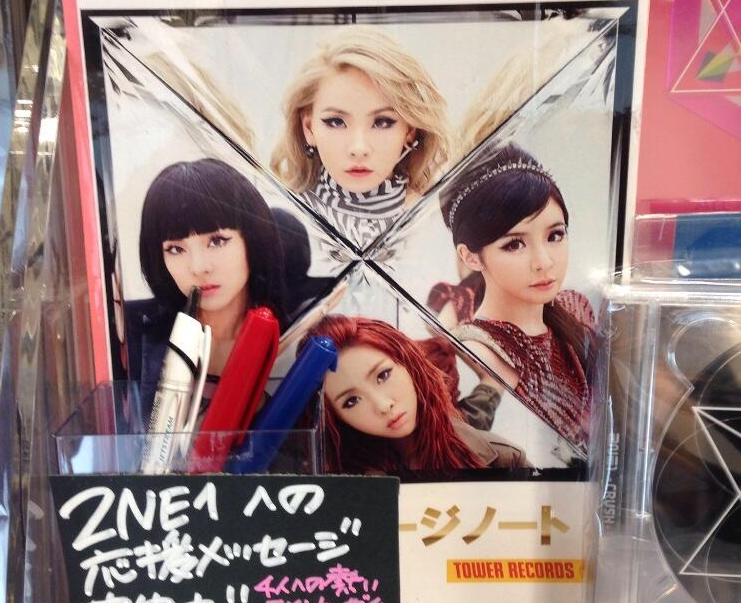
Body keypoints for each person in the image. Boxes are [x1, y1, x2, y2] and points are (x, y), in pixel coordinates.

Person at [440, 143, 595, 448]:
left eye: (555, 235)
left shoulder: (575, 309)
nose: (544, 262)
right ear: (470, 257)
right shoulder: (478, 351)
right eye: (514, 244)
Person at [270, 27, 452, 246]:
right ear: (308, 128)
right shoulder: (275, 222)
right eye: (336, 122)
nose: (358, 148)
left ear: (410, 131)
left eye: (382, 122)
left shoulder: (441, 225)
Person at [127, 158, 286, 407]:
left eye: (217, 241)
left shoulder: (294, 334)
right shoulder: (133, 332)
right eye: (176, 249)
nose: (199, 267)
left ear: (252, 239)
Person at [301, 314, 528, 478]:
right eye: (351, 401)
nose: (383, 405)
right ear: (335, 415)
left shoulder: (504, 459)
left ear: (409, 364)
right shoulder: (336, 482)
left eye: (383, 375)